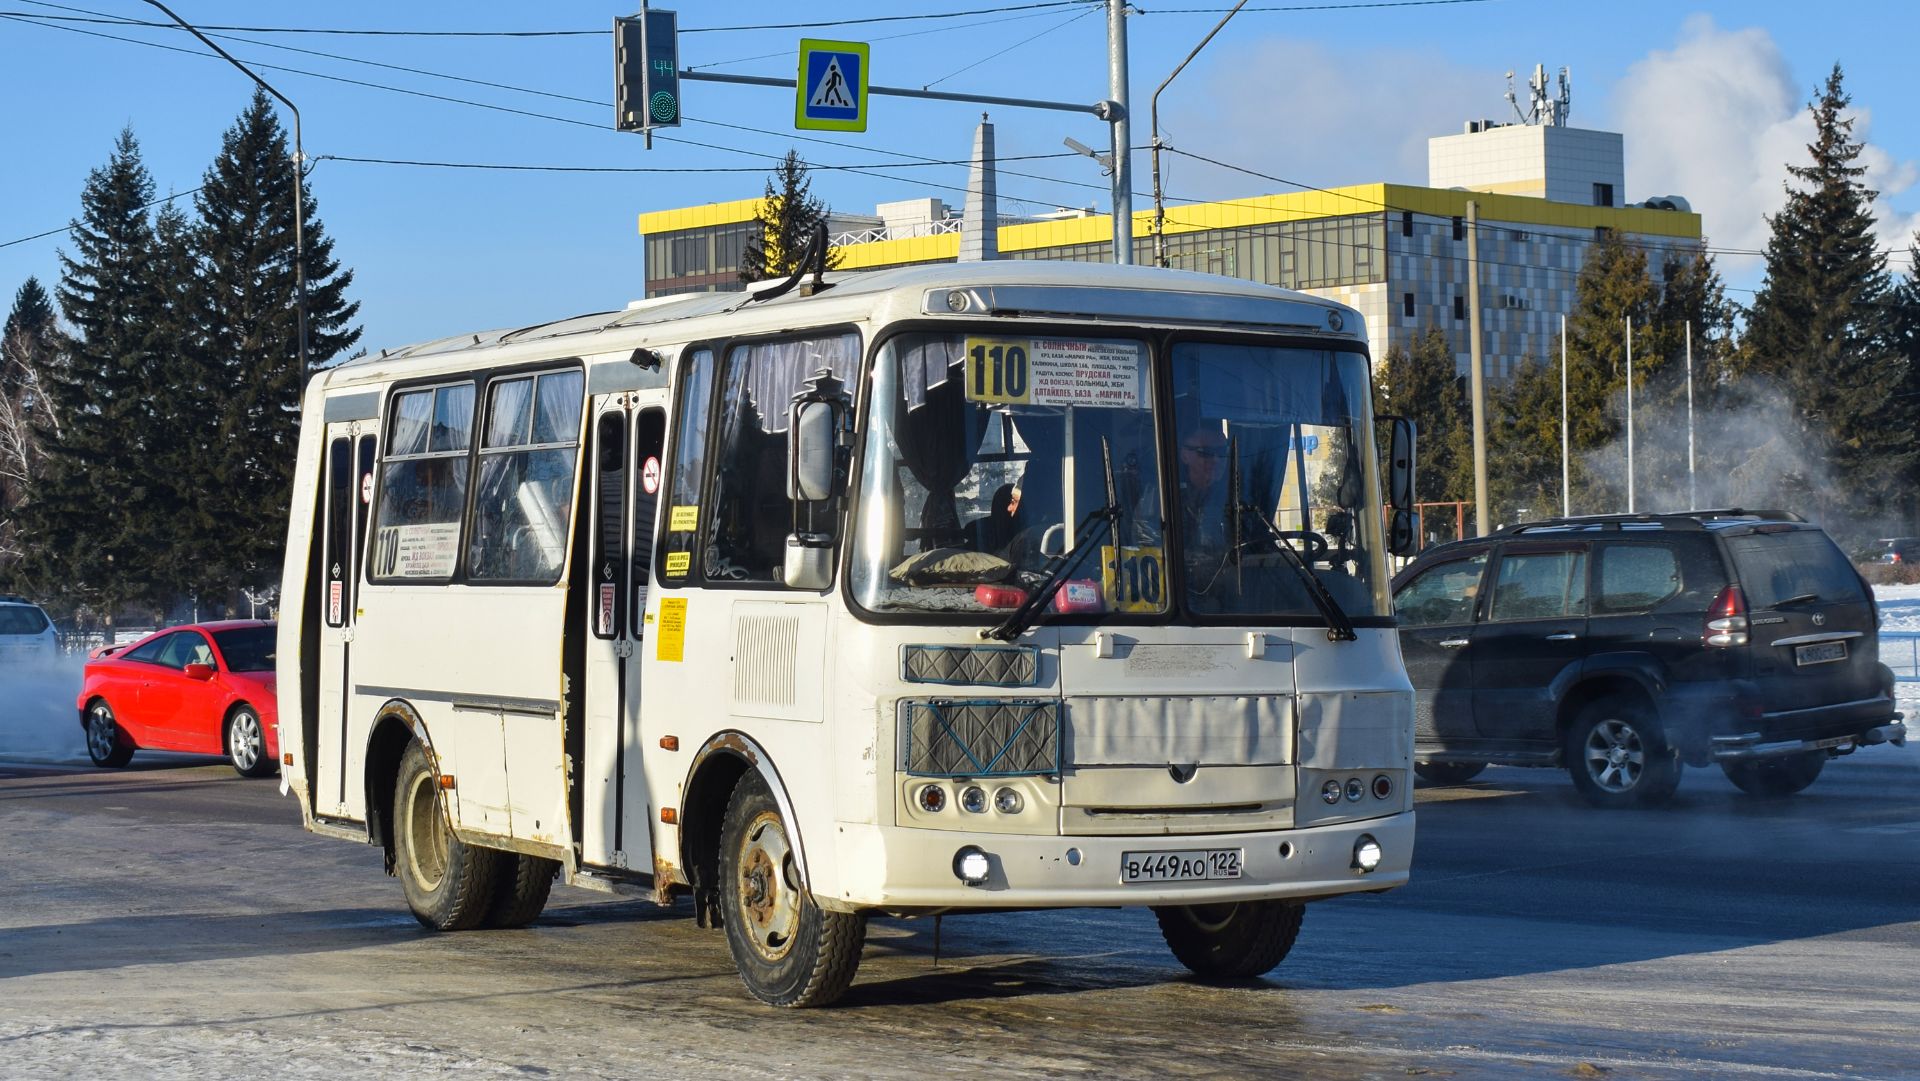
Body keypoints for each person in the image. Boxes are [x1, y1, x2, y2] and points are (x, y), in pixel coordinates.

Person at [965, 483, 1022, 556]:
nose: (1009, 508)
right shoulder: (979, 537)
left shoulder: (1027, 537)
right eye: (1004, 505)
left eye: (1015, 503)